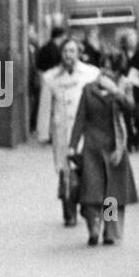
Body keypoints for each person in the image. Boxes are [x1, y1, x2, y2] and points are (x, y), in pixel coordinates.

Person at [68, 66, 138, 246]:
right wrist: (73, 145)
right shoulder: (88, 90)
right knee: (92, 190)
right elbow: (80, 118)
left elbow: (130, 108)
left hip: (115, 147)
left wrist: (116, 91)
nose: (107, 71)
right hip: (92, 147)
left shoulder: (121, 88)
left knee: (111, 193)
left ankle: (109, 232)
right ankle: (94, 227)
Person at [37, 37, 99, 226]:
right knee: (66, 172)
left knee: (91, 174)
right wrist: (43, 133)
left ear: (78, 53)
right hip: (62, 131)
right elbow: (45, 107)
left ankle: (100, 220)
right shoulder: (51, 78)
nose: (68, 55)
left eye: (72, 51)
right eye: (65, 51)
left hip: (86, 132)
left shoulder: (91, 74)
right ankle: (70, 210)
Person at [115, 28, 139, 152]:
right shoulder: (121, 54)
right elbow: (118, 70)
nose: (132, 41)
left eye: (134, 38)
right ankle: (130, 140)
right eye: (130, 39)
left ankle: (137, 137)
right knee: (127, 117)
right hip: (126, 90)